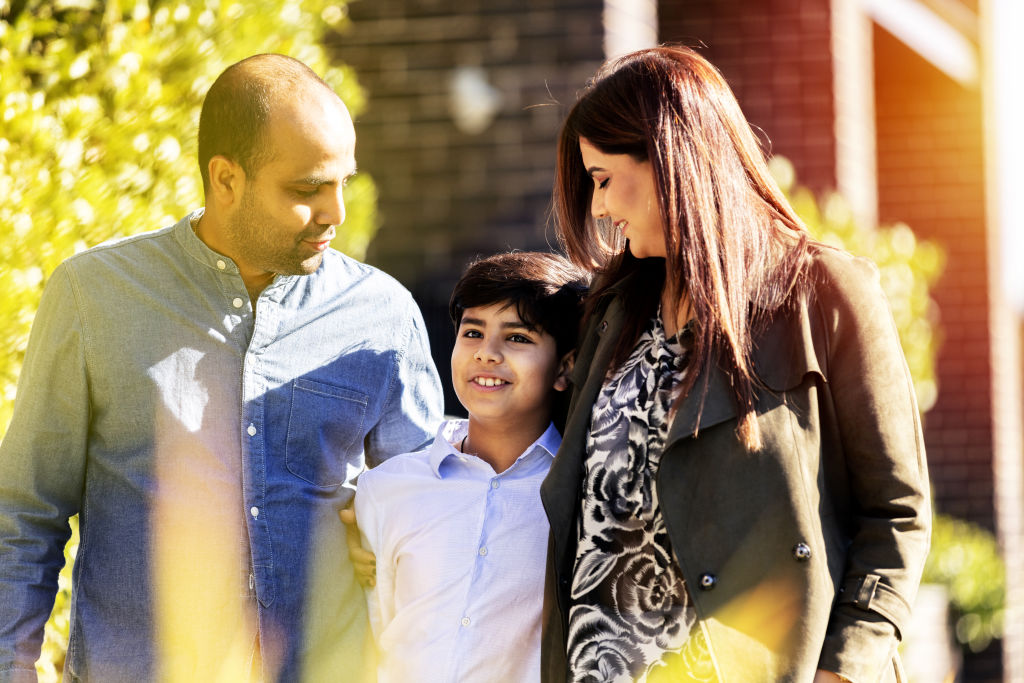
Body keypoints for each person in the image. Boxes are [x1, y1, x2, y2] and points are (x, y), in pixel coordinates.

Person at [0, 54, 442, 682]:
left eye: (344, 181)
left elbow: (430, 519)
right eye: (307, 189)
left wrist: (373, 521)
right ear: (226, 178)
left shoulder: (383, 316)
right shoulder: (93, 297)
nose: (336, 212)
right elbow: (23, 514)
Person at [540, 46, 931, 683]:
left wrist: (845, 668)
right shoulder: (610, 312)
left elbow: (897, 511)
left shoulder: (822, 293)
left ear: (670, 159)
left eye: (604, 179)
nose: (600, 209)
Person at [353, 252, 588, 683]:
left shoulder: (582, 496)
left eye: (517, 338)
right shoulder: (386, 489)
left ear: (565, 367)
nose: (486, 354)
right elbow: (373, 632)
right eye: (473, 332)